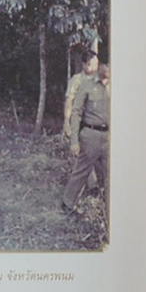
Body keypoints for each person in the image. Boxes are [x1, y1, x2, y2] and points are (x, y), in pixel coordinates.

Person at [62, 63, 110, 214]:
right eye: (105, 65)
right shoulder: (87, 85)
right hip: (91, 135)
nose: (107, 68)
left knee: (111, 174)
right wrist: (74, 141)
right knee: (82, 171)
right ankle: (67, 204)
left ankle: (109, 210)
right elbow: (76, 112)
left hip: (110, 137)